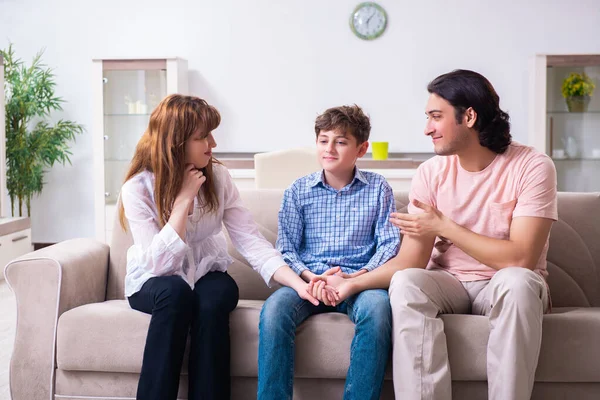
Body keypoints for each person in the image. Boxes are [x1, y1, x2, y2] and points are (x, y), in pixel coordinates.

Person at [315, 70, 557, 400]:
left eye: (436, 117)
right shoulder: (431, 173)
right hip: (449, 283)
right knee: (407, 282)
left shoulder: (531, 166)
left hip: (504, 282)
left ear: (469, 116)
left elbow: (520, 258)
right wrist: (352, 282)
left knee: (516, 281)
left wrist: (445, 227)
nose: (427, 128)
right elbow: (411, 260)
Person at [119, 94, 325, 400]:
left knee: (215, 295)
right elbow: (159, 265)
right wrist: (183, 202)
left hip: (205, 272)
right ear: (176, 141)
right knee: (175, 293)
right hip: (154, 279)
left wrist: (300, 283)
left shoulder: (219, 177)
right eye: (203, 136)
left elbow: (251, 241)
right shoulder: (138, 188)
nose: (212, 144)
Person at [257, 104, 400, 400]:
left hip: (359, 281)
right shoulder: (298, 190)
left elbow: (389, 244)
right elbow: (286, 247)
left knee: (377, 309)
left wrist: (355, 277)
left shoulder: (378, 188)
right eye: (323, 140)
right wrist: (311, 277)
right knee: (273, 311)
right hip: (310, 280)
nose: (329, 149)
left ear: (362, 148)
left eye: (341, 141)